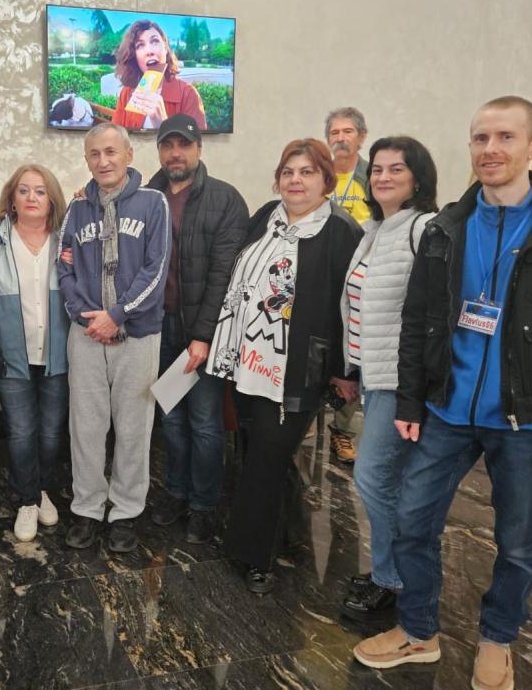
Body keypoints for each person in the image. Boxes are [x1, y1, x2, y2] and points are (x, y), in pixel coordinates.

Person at [354, 97, 532, 690]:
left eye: (505, 137)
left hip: (525, 418)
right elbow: (419, 321)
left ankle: (497, 641)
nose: (490, 150)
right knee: (411, 522)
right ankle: (418, 631)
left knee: (516, 542)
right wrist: (411, 401)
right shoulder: (447, 227)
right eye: (480, 138)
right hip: (447, 408)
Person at [208, 138, 362, 594]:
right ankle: (290, 534)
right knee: (260, 453)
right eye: (288, 172)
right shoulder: (266, 217)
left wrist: (343, 371)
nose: (296, 180)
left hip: (296, 370)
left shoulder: (339, 231)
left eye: (307, 172)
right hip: (246, 360)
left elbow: (349, 310)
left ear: (325, 180)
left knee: (267, 457)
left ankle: (254, 556)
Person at [337, 136, 439, 620]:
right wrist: (350, 368)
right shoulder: (374, 230)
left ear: (417, 178)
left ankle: (393, 578)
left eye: (396, 169)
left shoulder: (424, 229)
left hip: (401, 381)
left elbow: (430, 314)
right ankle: (392, 571)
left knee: (373, 477)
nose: (382, 177)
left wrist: (412, 389)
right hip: (373, 374)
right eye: (376, 169)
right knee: (385, 478)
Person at [58, 123, 169, 553]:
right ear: (87, 160)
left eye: (110, 152)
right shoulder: (77, 208)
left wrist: (117, 315)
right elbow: (64, 268)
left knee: (134, 426)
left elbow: (156, 269)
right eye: (94, 154)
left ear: (128, 155)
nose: (103, 161)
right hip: (87, 333)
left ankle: (125, 511)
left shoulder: (153, 203)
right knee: (85, 425)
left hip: (138, 335)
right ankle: (87, 508)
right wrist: (88, 318)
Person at [145, 114, 249, 544]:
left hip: (201, 332)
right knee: (170, 418)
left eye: (183, 145)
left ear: (199, 149)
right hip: (157, 330)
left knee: (205, 422)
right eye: (167, 145)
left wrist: (203, 335)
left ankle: (204, 506)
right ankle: (176, 492)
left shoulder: (225, 199)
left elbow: (225, 275)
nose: (175, 153)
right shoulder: (146, 196)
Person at [0, 165, 70, 542]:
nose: (32, 197)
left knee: (51, 434)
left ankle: (41, 489)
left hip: (58, 356)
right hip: (12, 358)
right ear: (12, 198)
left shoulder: (68, 242)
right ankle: (27, 500)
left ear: (52, 199)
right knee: (21, 433)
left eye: (40, 191)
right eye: (24, 190)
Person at [323, 106, 372, 464]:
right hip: (321, 279)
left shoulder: (374, 176)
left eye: (348, 132)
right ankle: (306, 420)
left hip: (358, 286)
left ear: (361, 137)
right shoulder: (318, 172)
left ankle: (342, 430)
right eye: (334, 133)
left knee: (350, 361)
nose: (340, 138)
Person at [112, 20, 206, 131]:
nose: (149, 51)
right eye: (140, 45)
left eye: (155, 41)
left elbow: (198, 140)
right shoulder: (127, 93)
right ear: (135, 56)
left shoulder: (188, 95)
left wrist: (163, 125)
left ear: (165, 48)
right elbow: (115, 136)